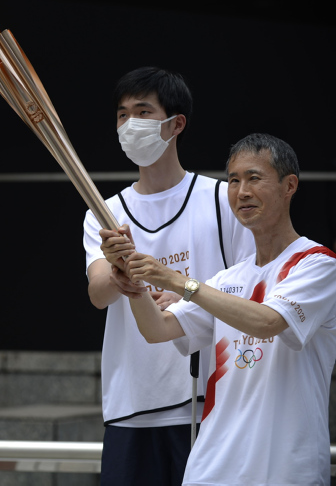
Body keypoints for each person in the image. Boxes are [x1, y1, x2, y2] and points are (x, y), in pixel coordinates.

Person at [105, 133, 336, 485]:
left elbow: (268, 322)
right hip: (211, 470)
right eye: (233, 180)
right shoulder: (227, 279)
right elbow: (158, 330)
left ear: (289, 185)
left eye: (254, 178)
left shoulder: (317, 265)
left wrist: (177, 281)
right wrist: (133, 282)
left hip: (284, 469)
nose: (242, 192)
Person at [82, 67, 253, 485]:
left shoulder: (221, 200)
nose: (130, 124)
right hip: (132, 403)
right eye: (122, 115)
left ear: (176, 124)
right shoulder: (105, 213)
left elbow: (251, 290)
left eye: (143, 112)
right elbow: (98, 293)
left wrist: (186, 295)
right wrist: (119, 274)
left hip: (208, 400)